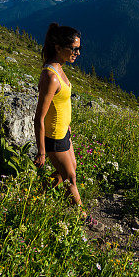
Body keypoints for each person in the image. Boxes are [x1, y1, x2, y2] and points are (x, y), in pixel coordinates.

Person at [33, 23, 82, 208]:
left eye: (79, 48)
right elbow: (39, 117)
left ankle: (36, 194)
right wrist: (41, 151)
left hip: (64, 131)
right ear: (58, 48)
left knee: (68, 171)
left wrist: (68, 126)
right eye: (74, 49)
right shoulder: (51, 76)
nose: (77, 53)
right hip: (54, 135)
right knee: (71, 178)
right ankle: (82, 219)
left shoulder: (60, 68)